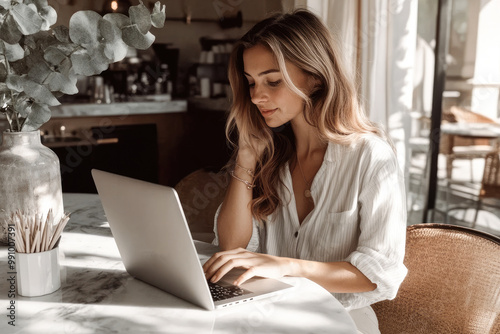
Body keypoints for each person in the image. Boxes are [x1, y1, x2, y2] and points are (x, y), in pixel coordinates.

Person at [202, 9, 407, 334]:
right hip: (267, 316)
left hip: (340, 321)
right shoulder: (271, 155)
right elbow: (231, 247)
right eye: (251, 82)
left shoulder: (371, 157)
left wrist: (283, 267)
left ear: (315, 77)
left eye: (273, 81)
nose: (256, 96)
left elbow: (379, 274)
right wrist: (245, 158)